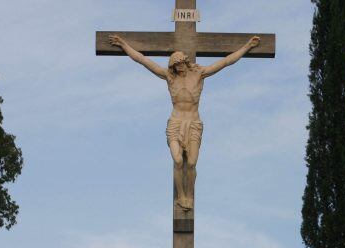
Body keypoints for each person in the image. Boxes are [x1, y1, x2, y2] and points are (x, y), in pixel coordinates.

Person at [108, 34, 261, 211]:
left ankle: (188, 194)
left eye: (180, 63)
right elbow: (143, 60)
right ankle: (181, 196)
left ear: (186, 62)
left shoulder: (199, 74)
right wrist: (124, 45)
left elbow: (226, 62)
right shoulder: (169, 77)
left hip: (194, 124)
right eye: (175, 65)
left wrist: (247, 46)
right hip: (175, 123)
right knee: (178, 160)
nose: (179, 67)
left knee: (192, 163)